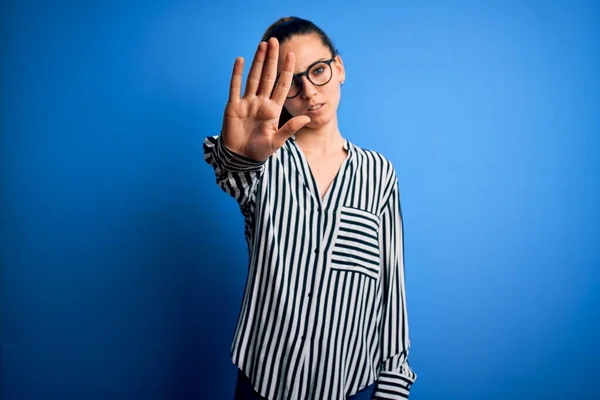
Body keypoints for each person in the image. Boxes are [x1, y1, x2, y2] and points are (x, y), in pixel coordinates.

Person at [204, 16, 416, 400]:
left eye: (317, 71)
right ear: (277, 92)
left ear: (339, 68)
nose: (309, 92)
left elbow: (391, 289)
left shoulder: (379, 174)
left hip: (351, 386)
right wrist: (240, 155)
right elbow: (231, 172)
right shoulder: (263, 161)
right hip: (262, 383)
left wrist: (394, 385)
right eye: (292, 82)